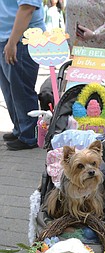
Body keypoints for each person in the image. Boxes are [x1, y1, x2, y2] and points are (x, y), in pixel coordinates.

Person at [0, 1, 45, 151]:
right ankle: (20, 129)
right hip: (7, 38)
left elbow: (27, 8)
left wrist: (12, 41)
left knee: (22, 89)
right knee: (10, 89)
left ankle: (29, 135)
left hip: (22, 38)